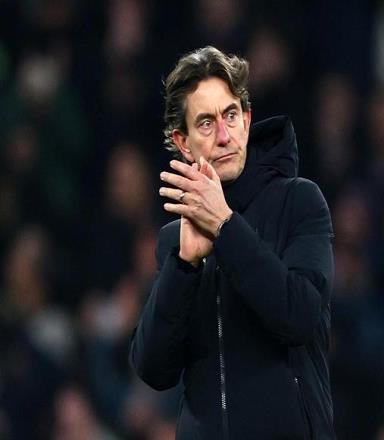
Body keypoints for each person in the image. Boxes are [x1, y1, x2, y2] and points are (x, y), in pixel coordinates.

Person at [129, 46, 335, 440]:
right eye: (206, 123)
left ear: (247, 119)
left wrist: (225, 227)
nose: (224, 136)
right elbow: (154, 370)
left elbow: (300, 316)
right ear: (183, 142)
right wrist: (183, 266)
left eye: (231, 115)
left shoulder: (299, 201)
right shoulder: (176, 239)